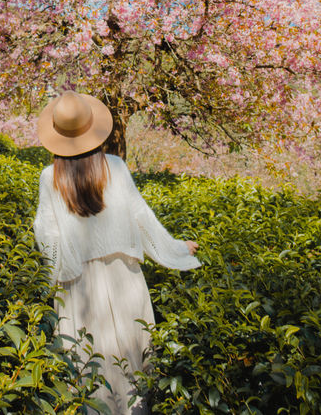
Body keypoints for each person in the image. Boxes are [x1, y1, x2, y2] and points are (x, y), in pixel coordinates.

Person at [33, 90, 201, 415]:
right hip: (124, 276)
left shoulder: (49, 177)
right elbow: (141, 216)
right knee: (130, 360)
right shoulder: (115, 166)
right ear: (92, 130)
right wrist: (176, 248)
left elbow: (46, 233)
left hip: (79, 284)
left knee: (87, 365)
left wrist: (59, 274)